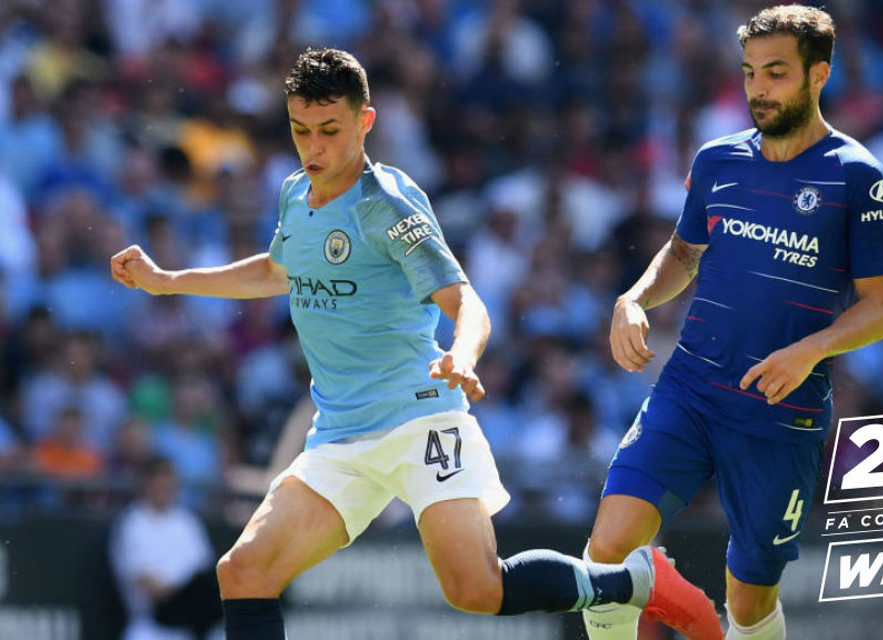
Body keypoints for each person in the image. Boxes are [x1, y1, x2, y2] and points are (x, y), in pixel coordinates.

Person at [109, 48, 720, 640]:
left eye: (330, 129)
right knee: (243, 573)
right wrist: (169, 281)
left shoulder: (389, 206)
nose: (315, 146)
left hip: (418, 416)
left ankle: (632, 581)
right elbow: (277, 270)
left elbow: (466, 301)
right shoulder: (296, 193)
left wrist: (464, 353)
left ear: (365, 121)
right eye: (301, 131)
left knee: (476, 590)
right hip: (341, 432)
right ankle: (634, 578)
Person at [580, 6, 883, 640]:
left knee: (749, 605)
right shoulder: (717, 161)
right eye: (751, 72)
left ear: (819, 75)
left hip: (780, 416)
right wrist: (634, 299)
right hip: (691, 389)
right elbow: (681, 253)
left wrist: (810, 350)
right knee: (605, 555)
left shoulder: (859, 177)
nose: (758, 88)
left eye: (776, 73)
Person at [110, 456, 220, 640]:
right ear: (146, 483)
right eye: (160, 479)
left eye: (170, 480)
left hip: (198, 625)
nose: (166, 486)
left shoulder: (188, 522)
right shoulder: (131, 524)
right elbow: (150, 588)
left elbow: (207, 573)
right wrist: (184, 589)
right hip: (153, 626)